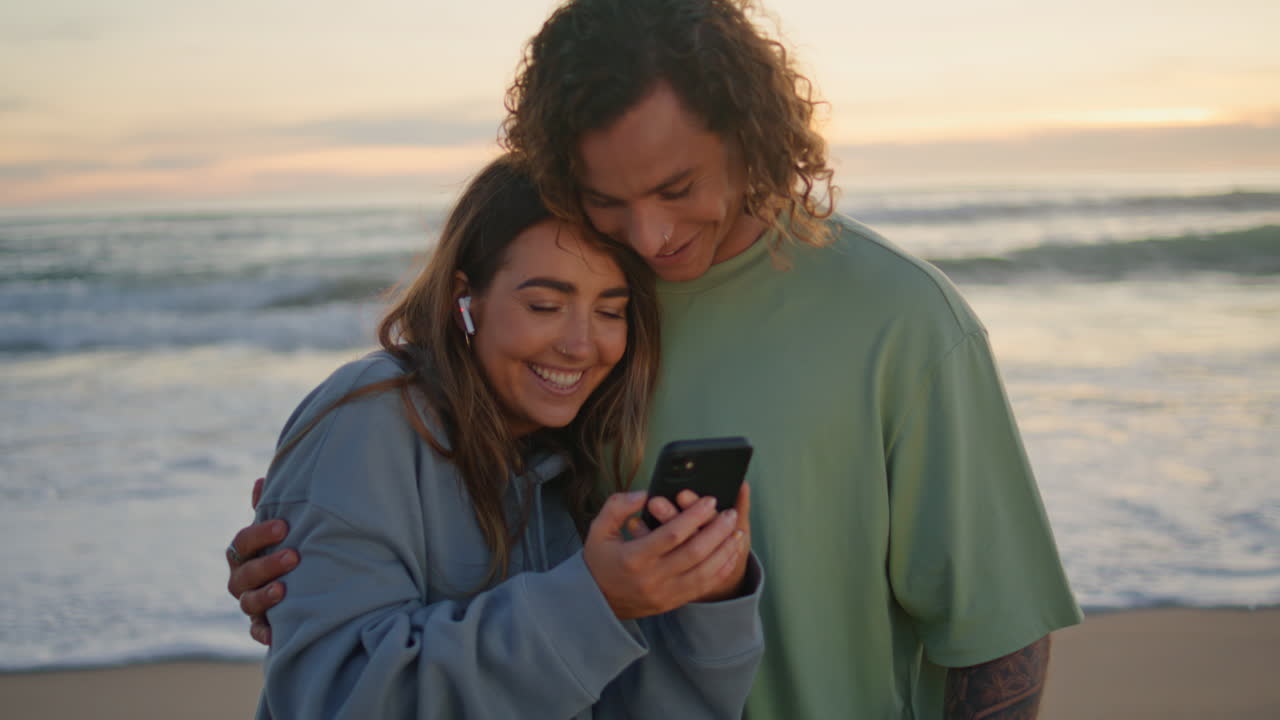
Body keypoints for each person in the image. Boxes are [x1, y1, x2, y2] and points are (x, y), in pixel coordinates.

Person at [229, 1, 1082, 717]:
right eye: (607, 200)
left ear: (754, 137)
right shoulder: (578, 306)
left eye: (677, 189)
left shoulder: (904, 321)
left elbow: (995, 632)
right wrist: (319, 559)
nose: (650, 237)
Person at [243, 154, 764, 719]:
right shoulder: (371, 416)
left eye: (611, 311)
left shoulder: (578, 453)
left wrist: (707, 600)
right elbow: (334, 702)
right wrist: (592, 603)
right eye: (545, 305)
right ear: (464, 301)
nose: (581, 345)